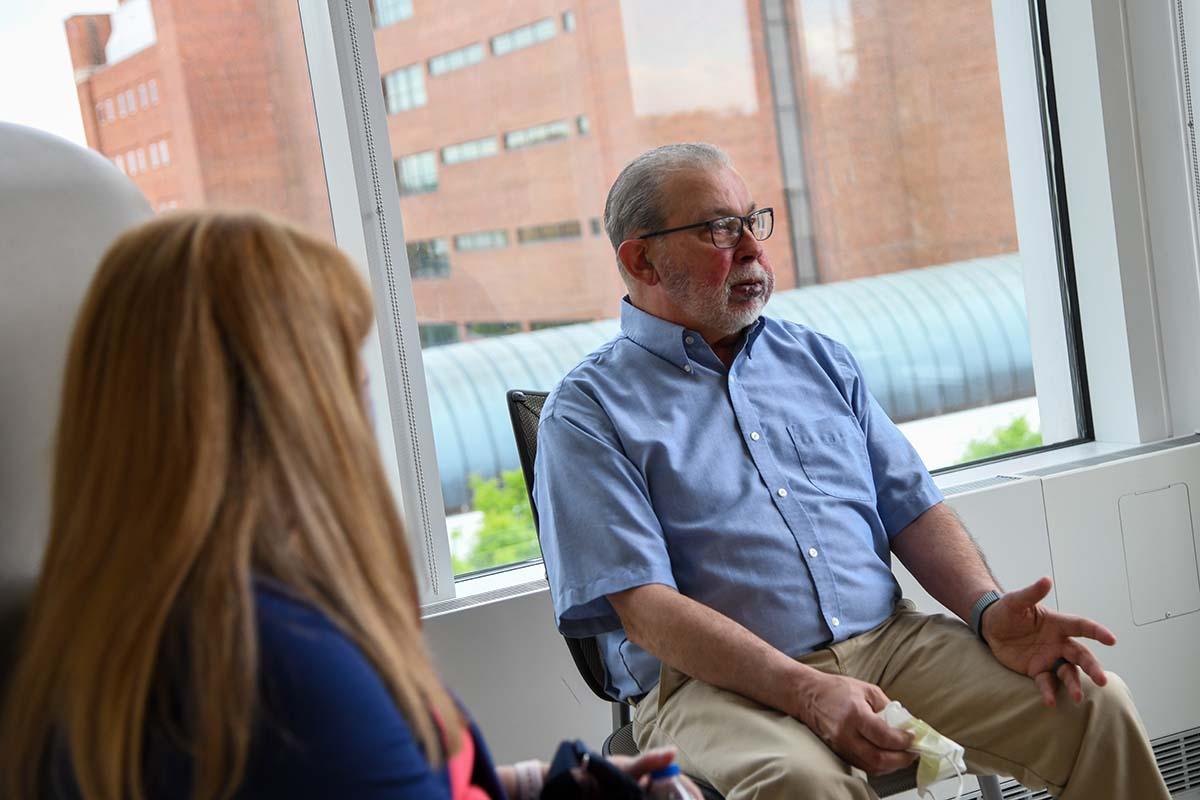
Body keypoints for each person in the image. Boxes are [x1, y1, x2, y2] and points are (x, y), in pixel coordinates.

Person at [533, 143, 1171, 800]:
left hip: (889, 643)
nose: (751, 247)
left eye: (753, 221)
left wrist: (985, 612)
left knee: (1092, 704)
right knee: (801, 783)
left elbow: (912, 508)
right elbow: (647, 613)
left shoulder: (817, 360)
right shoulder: (586, 413)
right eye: (719, 229)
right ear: (642, 259)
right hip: (711, 687)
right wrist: (806, 690)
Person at [0, 210, 698, 800]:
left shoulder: (124, 614)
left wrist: (535, 786)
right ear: (286, 404)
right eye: (340, 359)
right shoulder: (281, 668)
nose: (363, 387)